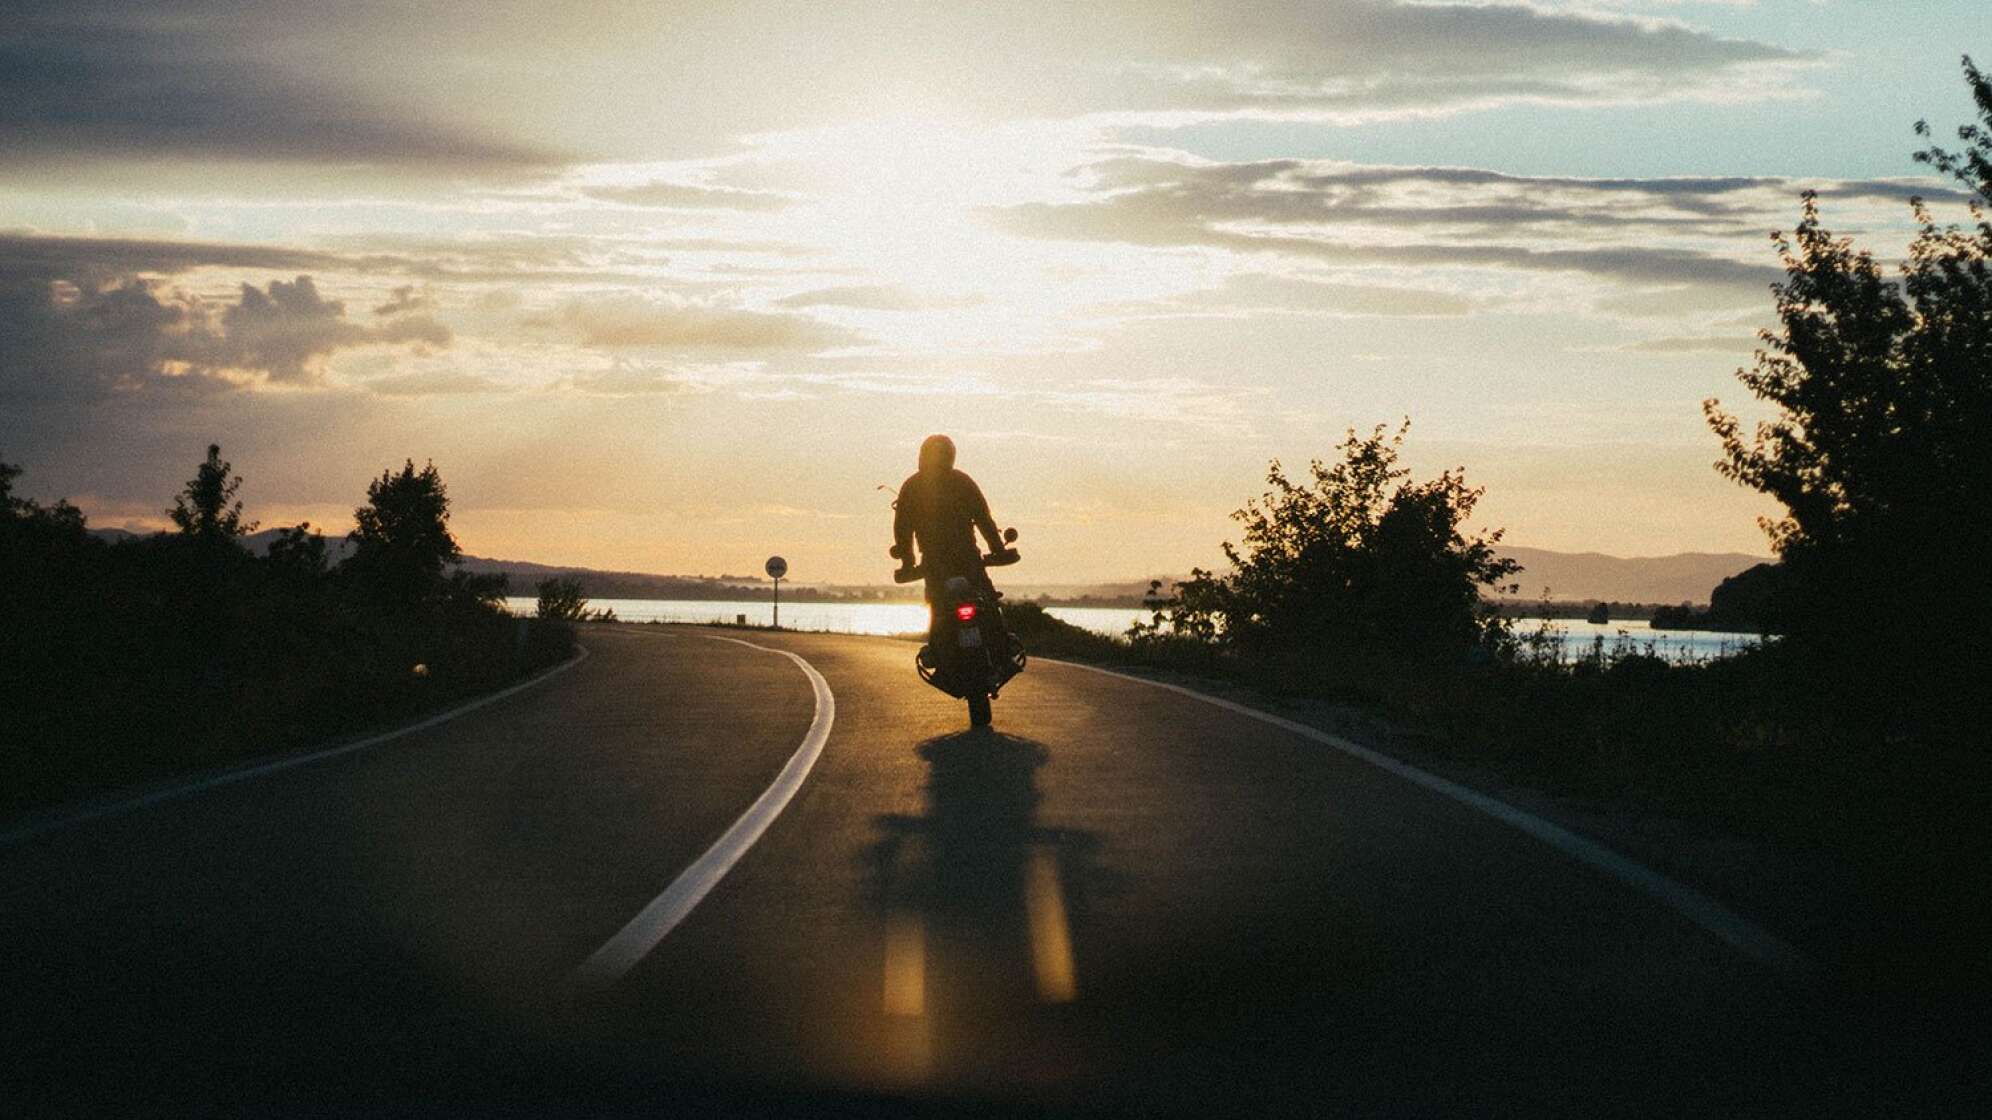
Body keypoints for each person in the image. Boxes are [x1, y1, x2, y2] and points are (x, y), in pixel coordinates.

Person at [892, 434, 1005, 604]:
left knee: (940, 611)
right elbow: (984, 520)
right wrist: (998, 549)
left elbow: (903, 529)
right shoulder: (962, 481)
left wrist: (908, 562)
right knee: (988, 604)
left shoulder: (912, 486)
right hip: (967, 557)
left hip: (935, 561)